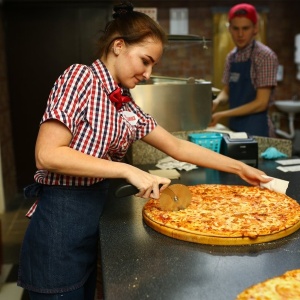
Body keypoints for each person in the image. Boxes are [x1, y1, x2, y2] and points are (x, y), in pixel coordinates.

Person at [18, 2, 271, 299]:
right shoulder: (80, 78)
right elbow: (48, 155)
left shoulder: (124, 103)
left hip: (90, 221)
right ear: (118, 46)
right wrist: (128, 169)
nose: (148, 74)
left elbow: (177, 146)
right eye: (145, 61)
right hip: (60, 224)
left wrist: (239, 168)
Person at [210, 3, 278, 137]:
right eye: (236, 28)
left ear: (255, 29)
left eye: (245, 28)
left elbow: (261, 103)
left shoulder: (265, 56)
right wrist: (216, 102)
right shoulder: (231, 57)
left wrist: (222, 114)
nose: (240, 34)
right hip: (236, 129)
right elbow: (227, 92)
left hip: (258, 131)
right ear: (229, 29)